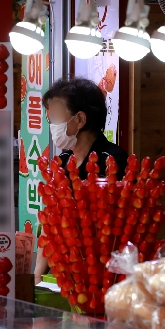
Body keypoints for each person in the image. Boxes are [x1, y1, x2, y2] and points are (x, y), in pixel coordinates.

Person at [34, 77, 128, 284]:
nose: (53, 124)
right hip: (63, 270)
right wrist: (37, 277)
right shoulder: (61, 163)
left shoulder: (112, 161)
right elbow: (48, 224)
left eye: (57, 116)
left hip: (101, 275)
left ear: (80, 120)